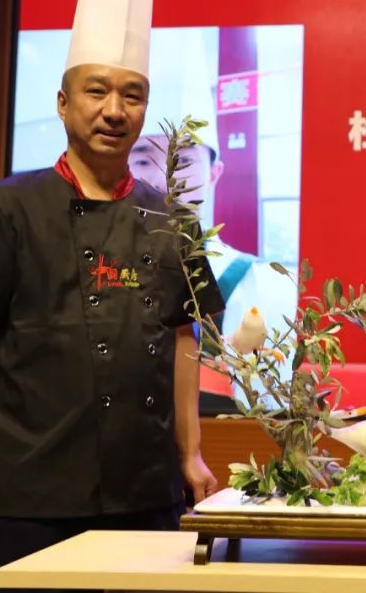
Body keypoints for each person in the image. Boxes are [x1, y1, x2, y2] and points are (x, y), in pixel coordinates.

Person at [0, 0, 224, 593]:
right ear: (62, 102)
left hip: (146, 499)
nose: (114, 111)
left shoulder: (173, 221)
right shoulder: (7, 207)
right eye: (96, 91)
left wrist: (191, 455)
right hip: (24, 501)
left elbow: (184, 341)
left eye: (132, 95)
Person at [127, 40, 298, 410]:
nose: (162, 180)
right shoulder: (96, 271)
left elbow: (271, 415)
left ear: (214, 173)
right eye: (142, 160)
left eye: (183, 160)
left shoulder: (263, 284)